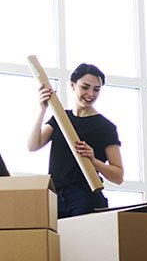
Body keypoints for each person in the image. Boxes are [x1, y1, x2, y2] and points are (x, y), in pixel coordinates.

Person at [27, 63, 124, 217]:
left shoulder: (105, 127)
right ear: (73, 85)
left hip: (85, 196)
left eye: (96, 89)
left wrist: (93, 160)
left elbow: (118, 176)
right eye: (85, 87)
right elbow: (33, 145)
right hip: (55, 196)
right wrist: (42, 109)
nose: (90, 94)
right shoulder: (60, 118)